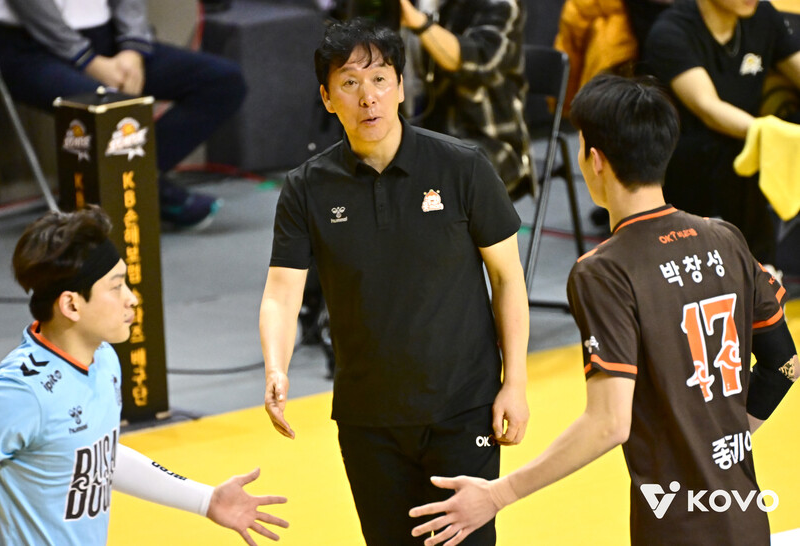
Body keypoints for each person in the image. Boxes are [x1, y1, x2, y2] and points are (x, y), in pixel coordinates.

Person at [409, 74, 798, 545]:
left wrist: (497, 494)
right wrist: (728, 439)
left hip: (676, 527)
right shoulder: (725, 237)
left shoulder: (604, 270)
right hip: (745, 517)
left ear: (594, 159)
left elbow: (609, 422)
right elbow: (784, 364)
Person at [259, 18, 529, 546]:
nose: (368, 97)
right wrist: (275, 365)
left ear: (402, 87)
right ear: (327, 98)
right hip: (368, 418)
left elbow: (507, 279)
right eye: (350, 83)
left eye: (380, 79)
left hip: (462, 407)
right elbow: (281, 293)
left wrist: (514, 383)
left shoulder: (462, 167)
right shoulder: (306, 189)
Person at [0, 206, 288, 545]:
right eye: (116, 287)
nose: (132, 299)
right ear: (71, 305)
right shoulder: (20, 394)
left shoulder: (103, 359)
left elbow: (99, 457)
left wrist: (205, 500)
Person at [0, 0, 247, 229]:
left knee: (222, 82)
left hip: (108, 38)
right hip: (31, 48)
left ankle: (136, 181)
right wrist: (87, 60)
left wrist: (133, 49)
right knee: (109, 108)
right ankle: (140, 188)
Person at [643, 0, 800, 265]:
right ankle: (761, 266)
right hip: (685, 156)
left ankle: (762, 266)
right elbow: (708, 108)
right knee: (738, 154)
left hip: (744, 141)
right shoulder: (670, 32)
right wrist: (774, 135)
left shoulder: (762, 15)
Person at [398, 0, 533, 199]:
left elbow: (481, 59)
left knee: (435, 175)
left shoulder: (501, 4)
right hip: (418, 130)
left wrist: (419, 23)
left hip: (486, 139)